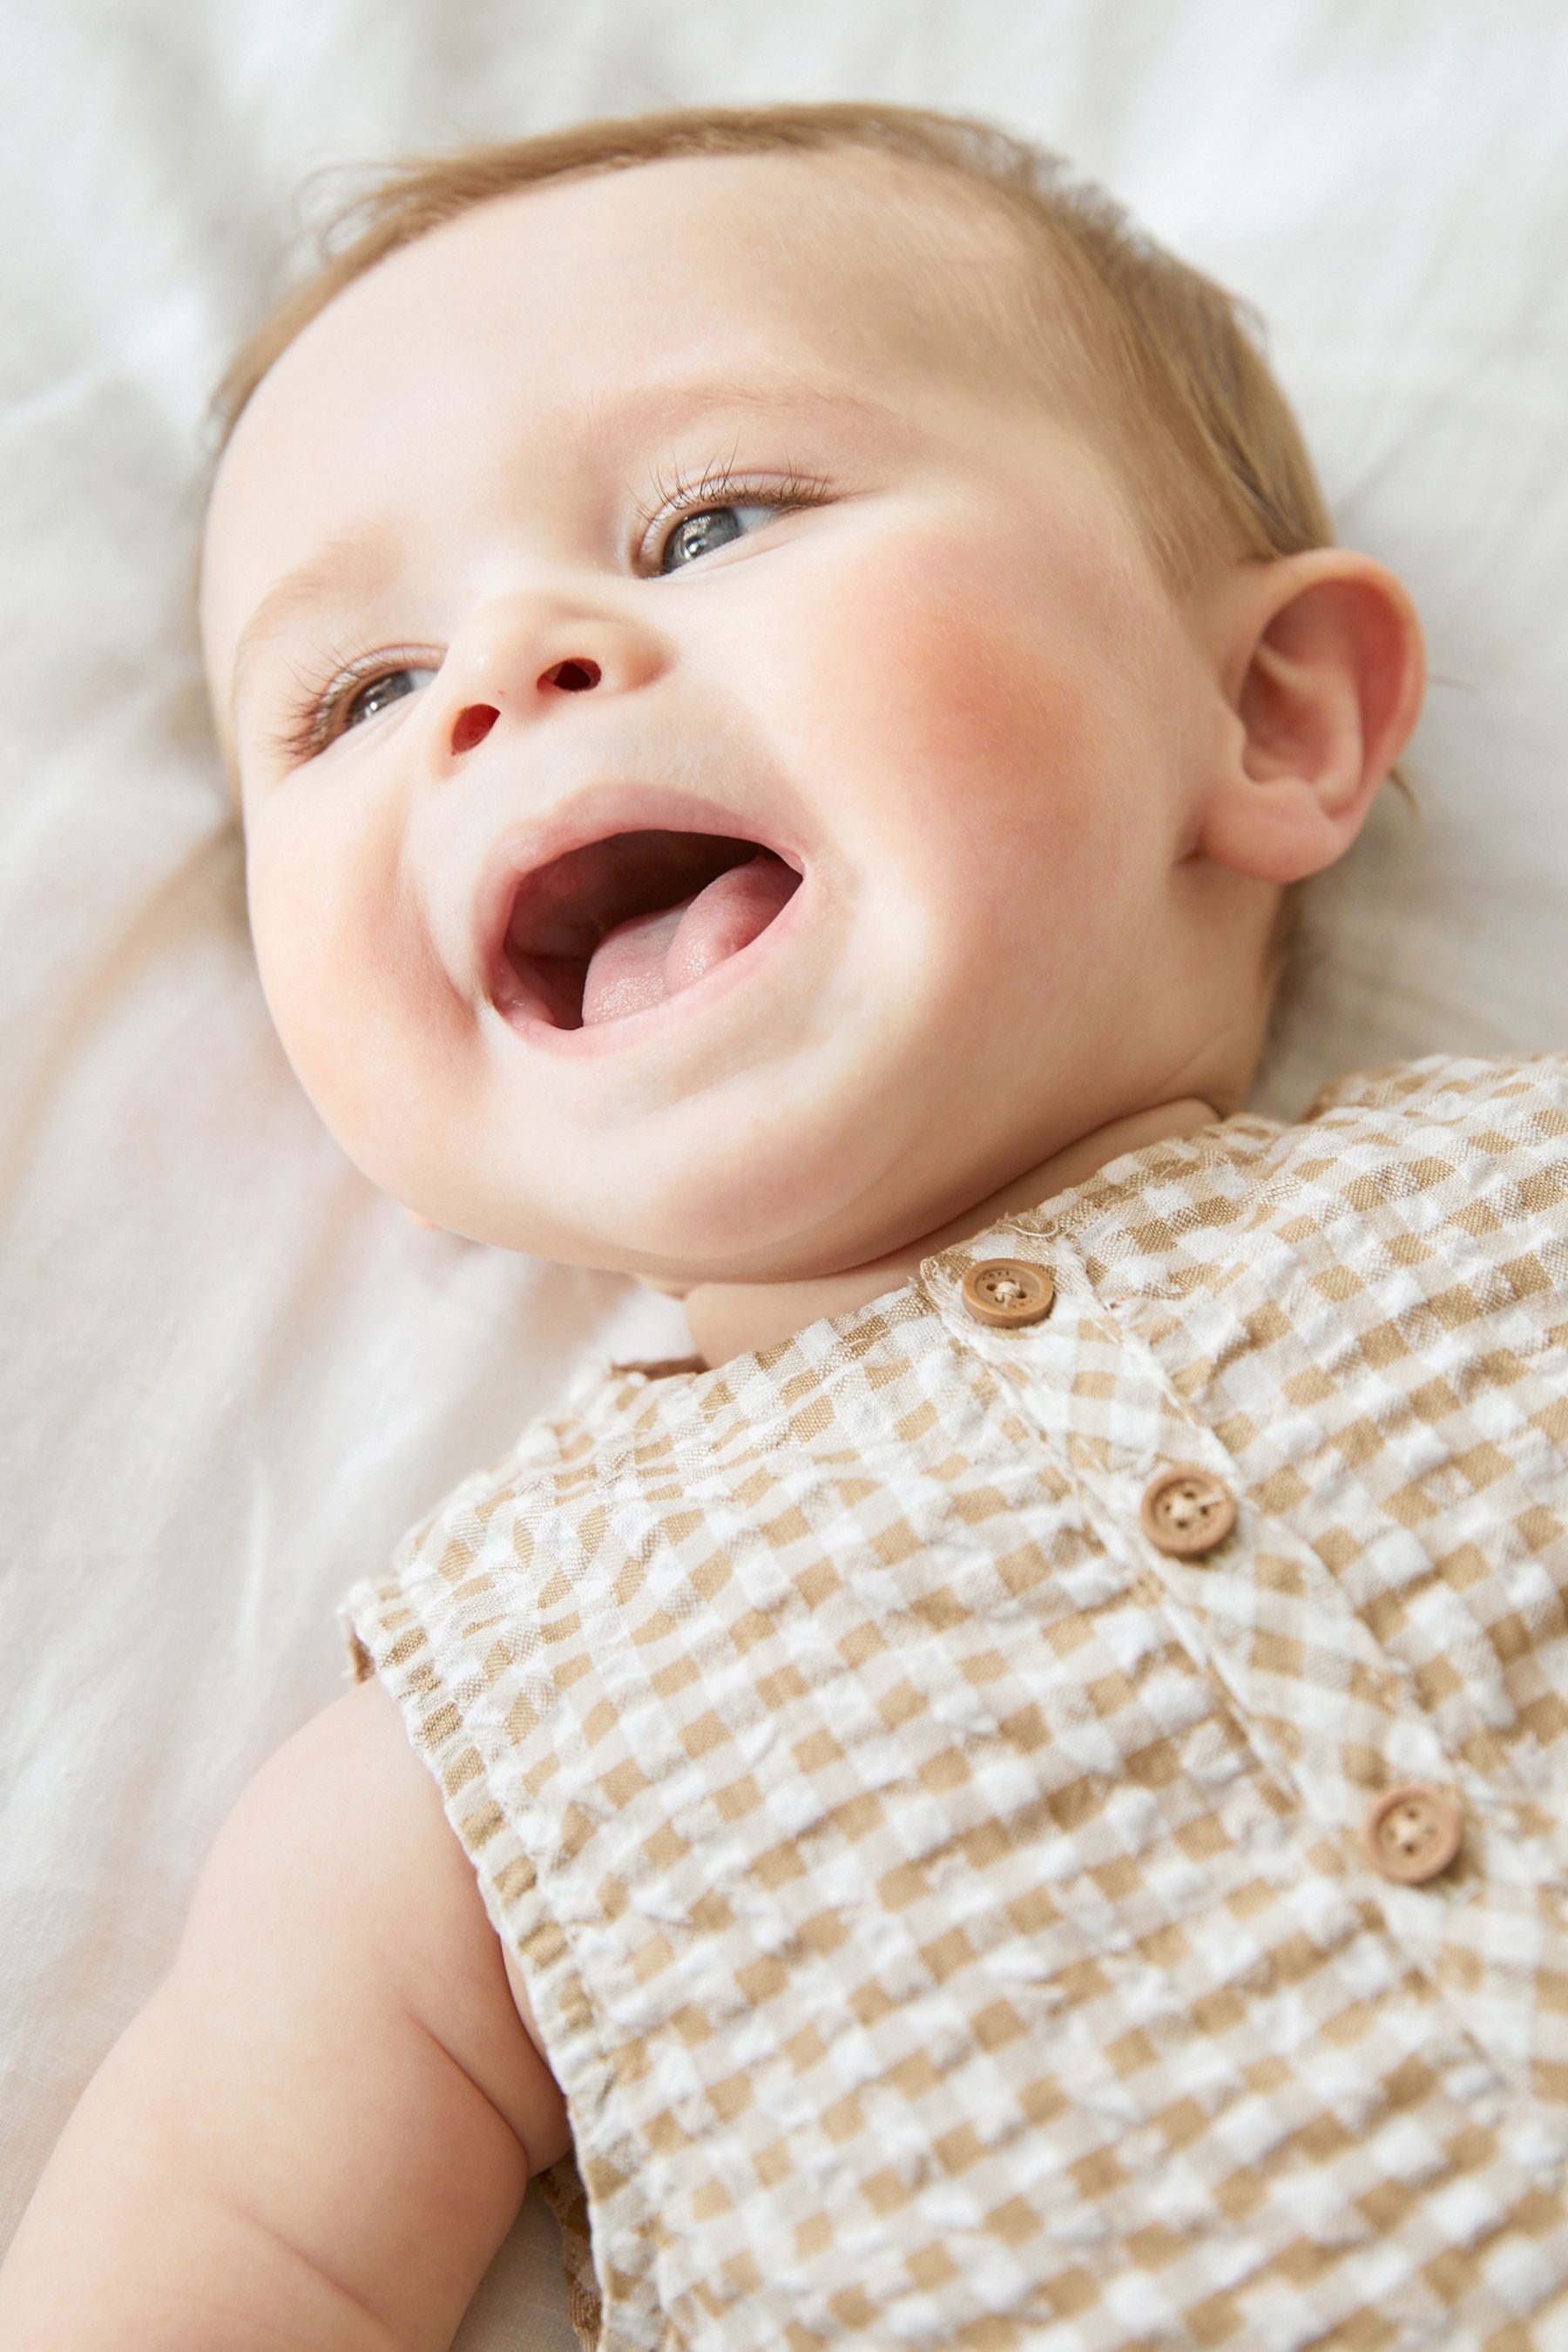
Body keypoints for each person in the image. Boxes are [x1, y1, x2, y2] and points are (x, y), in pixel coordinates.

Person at [5, 94, 1565, 2350]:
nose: (504, 671)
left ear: (1265, 709)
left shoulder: (1510, 1192)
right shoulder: (478, 1726)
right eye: (353, 695)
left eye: (713, 517)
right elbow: (229, 2261)